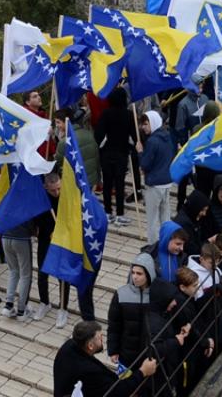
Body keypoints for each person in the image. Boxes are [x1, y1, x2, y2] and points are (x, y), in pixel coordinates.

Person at [52, 321, 156, 397]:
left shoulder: (69, 346)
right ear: (90, 346)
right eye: (100, 337)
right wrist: (143, 372)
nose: (103, 339)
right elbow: (117, 391)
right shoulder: (89, 371)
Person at [107, 255, 156, 373]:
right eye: (133, 272)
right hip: (126, 354)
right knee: (126, 386)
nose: (135, 277)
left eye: (139, 274)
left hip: (149, 354)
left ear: (148, 274)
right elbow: (114, 325)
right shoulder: (121, 294)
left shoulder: (157, 294)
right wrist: (113, 350)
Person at [95, 87, 136, 226]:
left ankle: (107, 212)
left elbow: (98, 135)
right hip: (122, 154)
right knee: (119, 184)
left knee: (107, 184)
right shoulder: (129, 114)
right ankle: (119, 214)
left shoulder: (106, 114)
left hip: (107, 153)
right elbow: (134, 136)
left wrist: (103, 145)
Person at [34, 171, 70, 328]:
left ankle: (63, 308)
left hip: (62, 242)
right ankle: (44, 302)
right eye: (53, 190)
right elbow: (36, 221)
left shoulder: (67, 198)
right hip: (45, 241)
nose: (57, 192)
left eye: (59, 188)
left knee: (63, 277)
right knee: (42, 273)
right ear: (45, 187)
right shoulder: (41, 200)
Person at [138, 110, 175, 248]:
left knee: (152, 219)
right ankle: (166, 242)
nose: (143, 127)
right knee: (165, 217)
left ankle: (153, 246)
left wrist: (140, 153)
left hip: (154, 184)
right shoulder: (168, 137)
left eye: (146, 124)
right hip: (166, 182)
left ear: (152, 123)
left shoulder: (152, 141)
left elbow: (145, 164)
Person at [0, 214, 35, 321]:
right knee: (26, 274)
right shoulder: (27, 200)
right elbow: (31, 223)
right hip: (22, 238)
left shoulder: (8, 197)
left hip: (5, 236)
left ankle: (8, 305)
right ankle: (22, 310)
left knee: (13, 271)